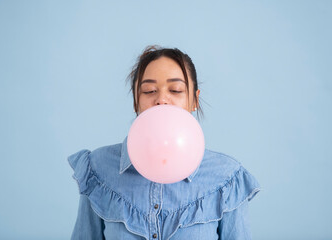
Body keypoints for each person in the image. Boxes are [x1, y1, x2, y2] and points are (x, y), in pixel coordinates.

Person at [68, 46, 260, 240]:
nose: (161, 100)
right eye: (149, 90)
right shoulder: (98, 168)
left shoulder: (226, 177)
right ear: (136, 100)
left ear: (195, 100)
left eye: (176, 90)